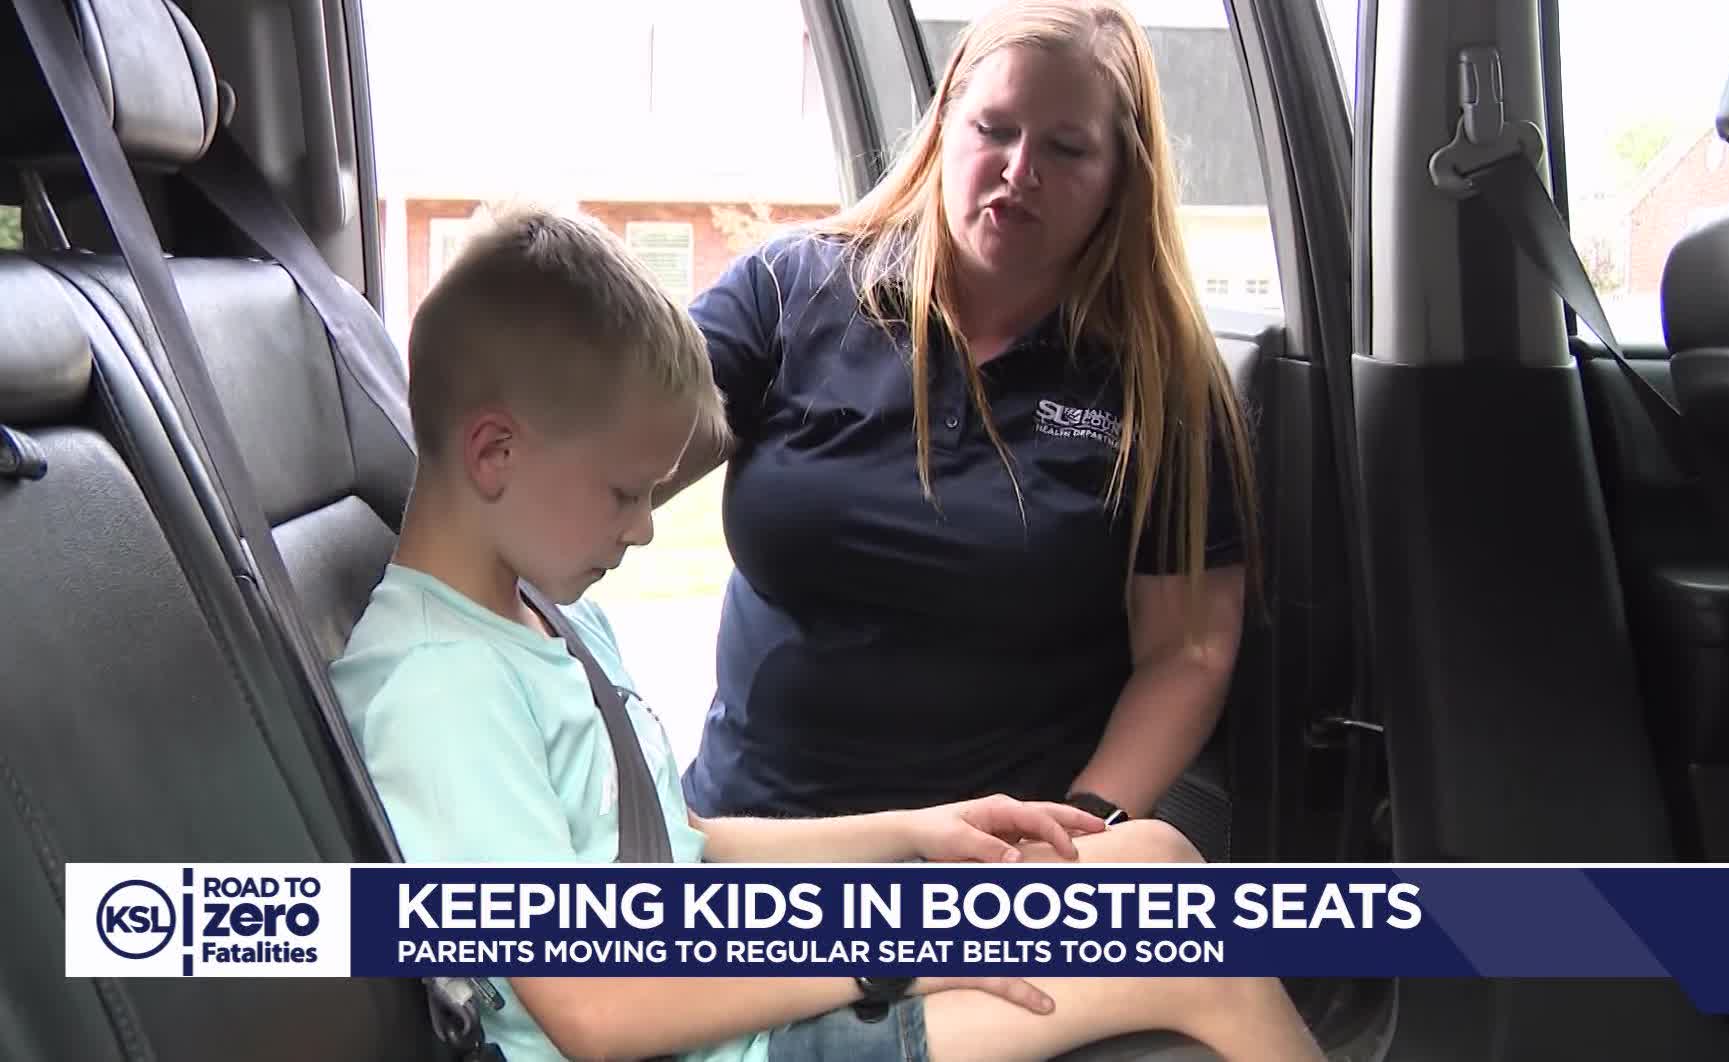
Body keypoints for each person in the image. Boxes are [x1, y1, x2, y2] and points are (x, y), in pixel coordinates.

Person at [330, 205, 1320, 1062]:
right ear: (495, 453)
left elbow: (676, 845)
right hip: (708, 1041)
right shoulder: (442, 692)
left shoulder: (546, 615)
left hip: (718, 987)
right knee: (1202, 960)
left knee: (1154, 860)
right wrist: (890, 951)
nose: (642, 529)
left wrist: (915, 834)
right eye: (625, 493)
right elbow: (596, 1009)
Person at [673, 0, 1263, 827]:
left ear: (1120, 176)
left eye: (1065, 148)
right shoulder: (790, 290)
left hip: (996, 859)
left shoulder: (1161, 385)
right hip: (755, 842)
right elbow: (600, 457)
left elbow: (1188, 649)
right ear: (944, 125)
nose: (1020, 170)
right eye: (994, 129)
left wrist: (1081, 827)